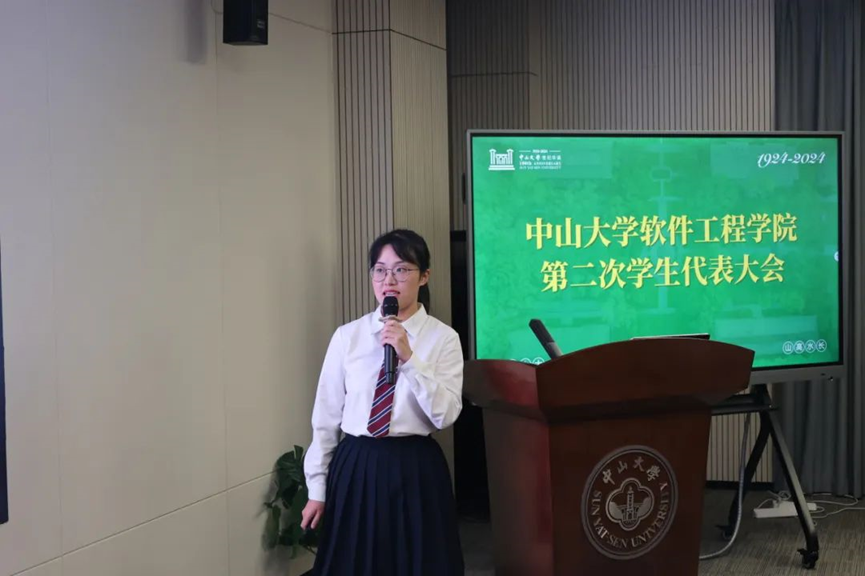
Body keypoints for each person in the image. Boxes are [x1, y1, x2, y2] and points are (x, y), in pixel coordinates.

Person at [301, 229, 465, 575]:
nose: (389, 280)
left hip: (416, 467)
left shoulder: (444, 339)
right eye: (380, 270)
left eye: (401, 269)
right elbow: (325, 418)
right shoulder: (348, 336)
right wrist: (317, 489)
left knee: (418, 563)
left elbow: (445, 414)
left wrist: (410, 359)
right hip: (357, 463)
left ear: (424, 276)